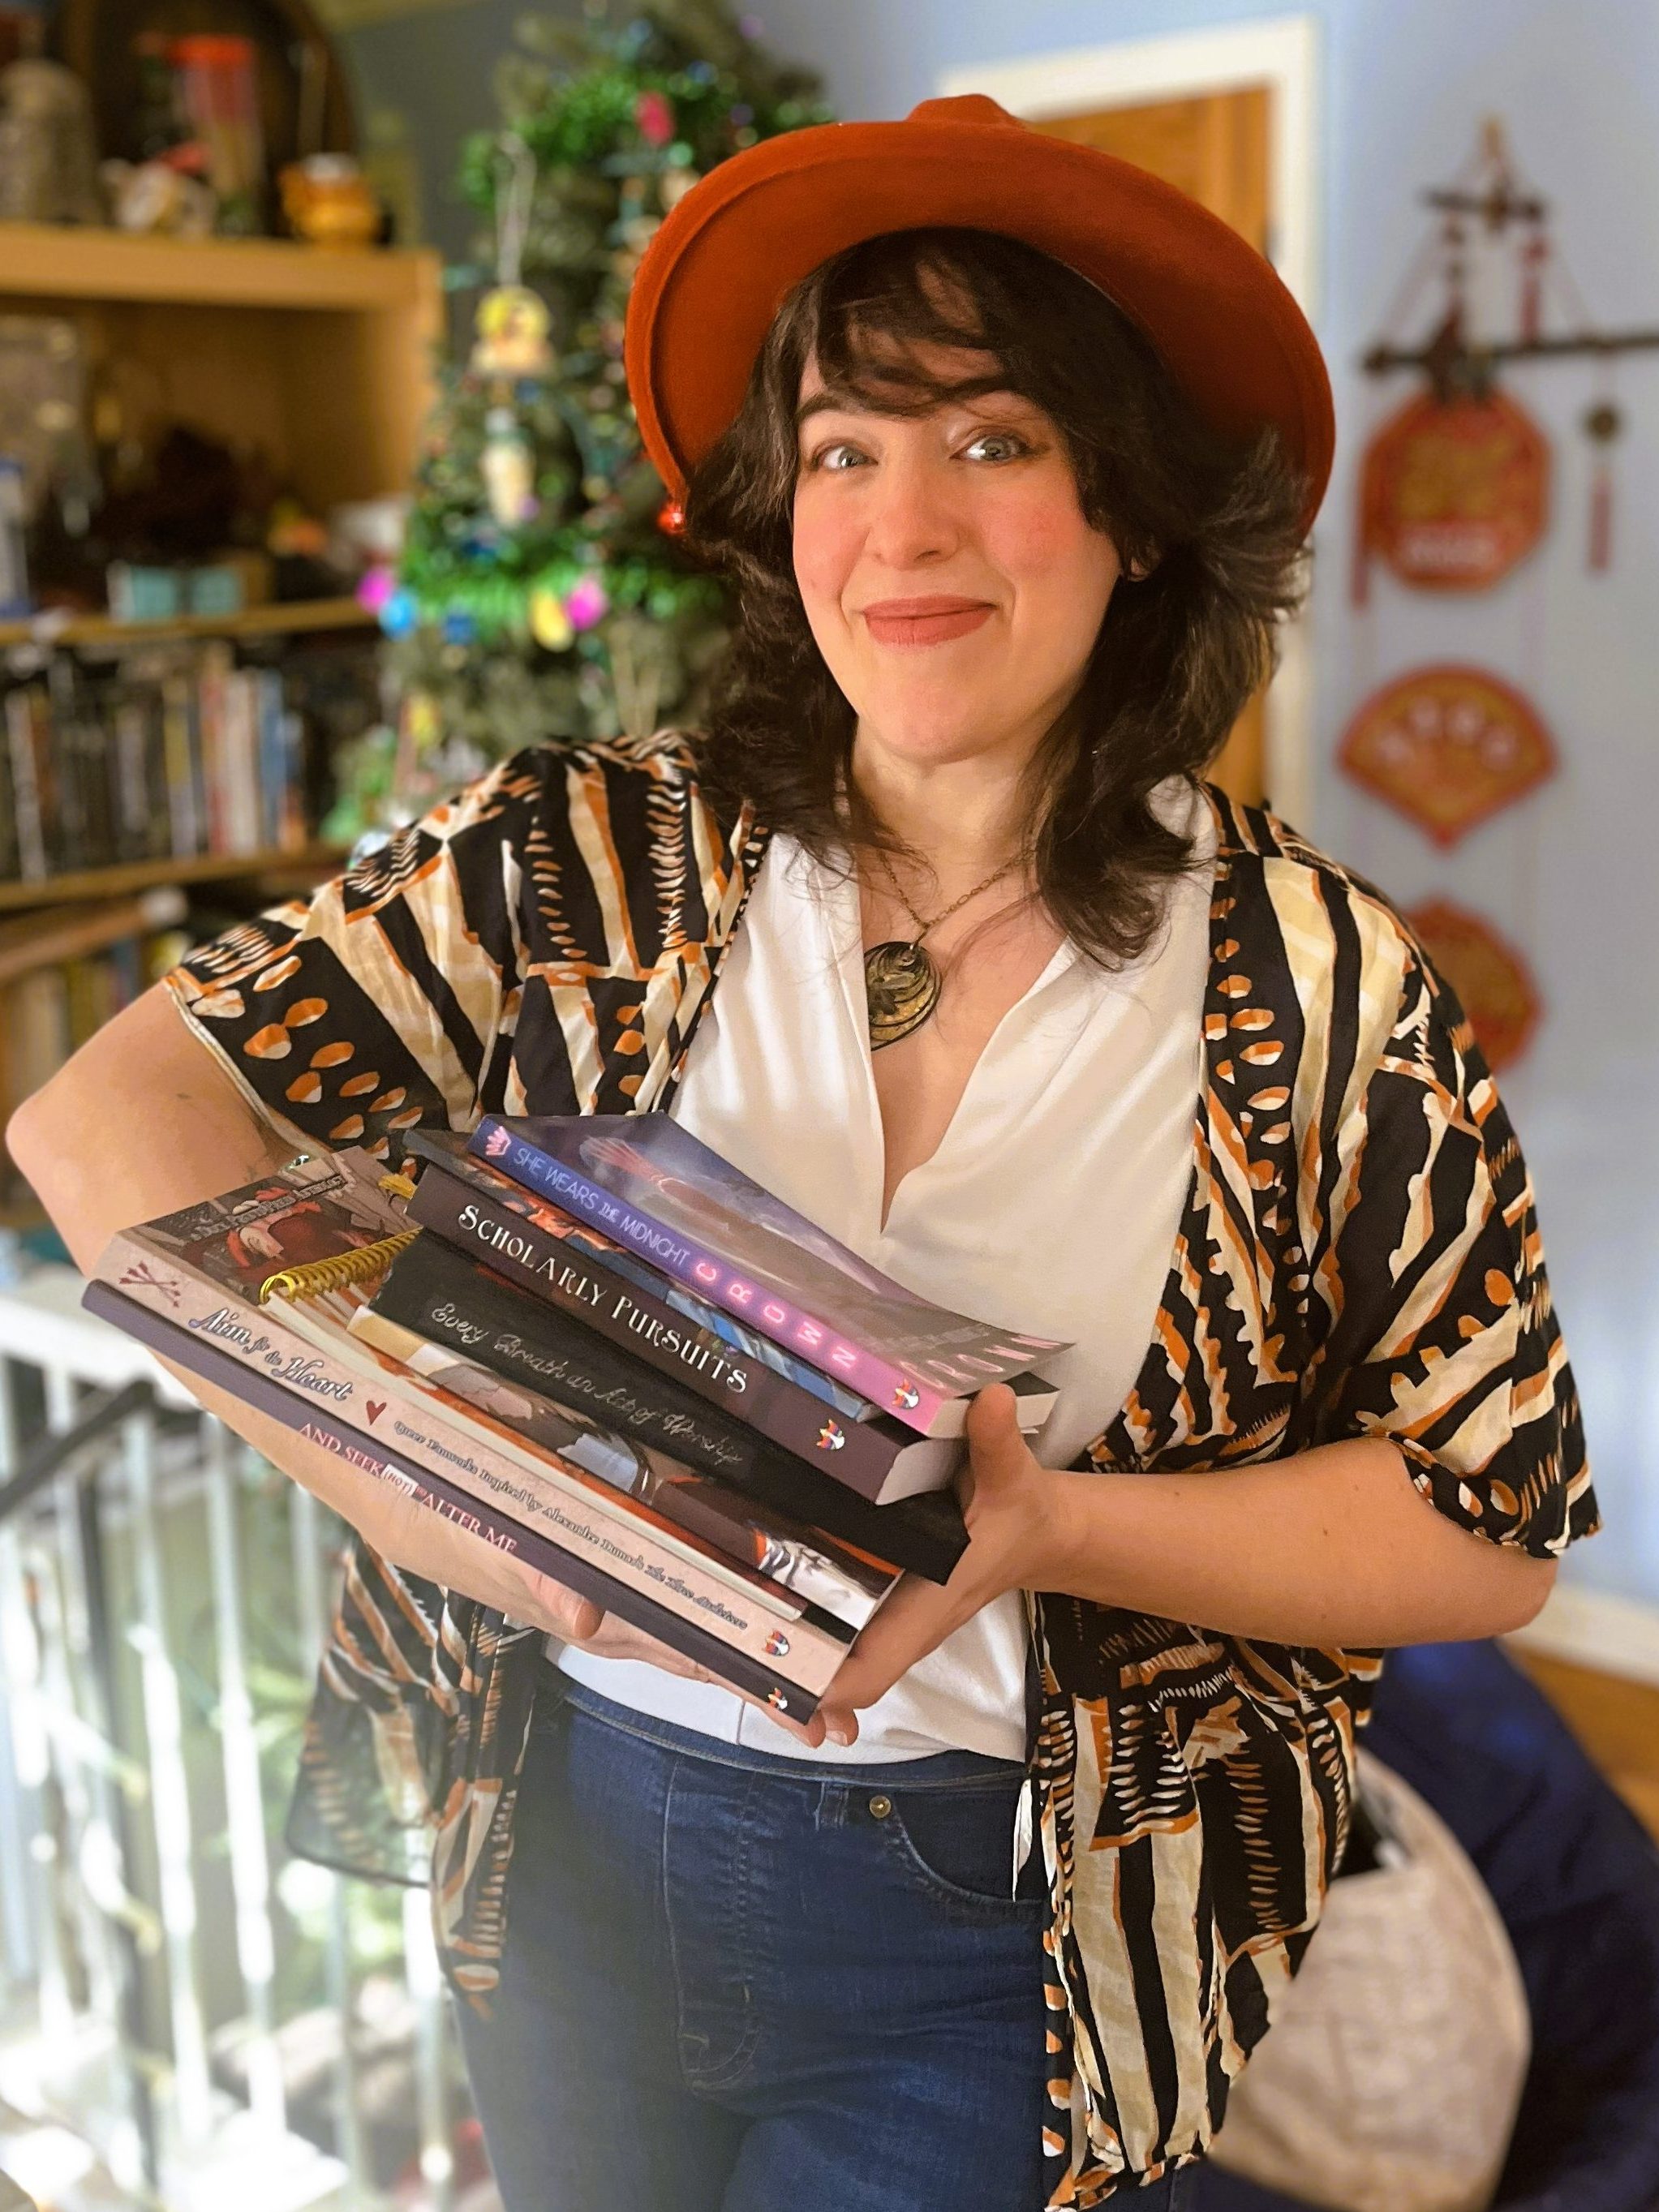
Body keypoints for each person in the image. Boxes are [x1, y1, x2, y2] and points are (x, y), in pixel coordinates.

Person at [10, 95, 1596, 2212]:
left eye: (996, 441)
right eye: (845, 448)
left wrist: (1057, 1534)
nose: (903, 526)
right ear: (779, 517)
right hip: (562, 1830)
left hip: (990, 1909)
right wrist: (467, 1492)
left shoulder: (1317, 981)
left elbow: (1486, 1519)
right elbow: (99, 1118)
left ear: (1133, 515)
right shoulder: (584, 858)